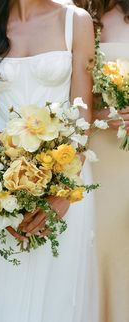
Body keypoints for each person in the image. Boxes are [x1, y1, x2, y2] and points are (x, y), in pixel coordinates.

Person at [0, 1, 98, 322]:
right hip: (0, 192)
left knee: (58, 302)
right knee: (3, 300)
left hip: (67, 186)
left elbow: (82, 113)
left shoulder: (75, 22)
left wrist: (62, 193)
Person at [73, 1, 129, 321]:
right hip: (95, 156)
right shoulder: (80, 15)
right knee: (101, 250)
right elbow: (68, 93)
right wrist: (97, 113)